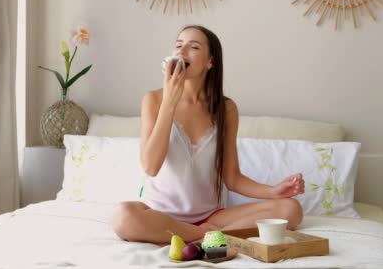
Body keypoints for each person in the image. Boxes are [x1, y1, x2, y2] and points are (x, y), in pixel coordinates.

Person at [112, 25, 304, 244]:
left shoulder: (227, 109)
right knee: (123, 218)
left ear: (210, 62)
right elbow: (150, 166)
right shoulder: (154, 100)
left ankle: (197, 233)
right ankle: (204, 236)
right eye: (178, 45)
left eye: (193, 47)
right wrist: (169, 103)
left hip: (212, 217)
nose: (182, 52)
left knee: (290, 209)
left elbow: (232, 178)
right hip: (161, 216)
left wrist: (274, 191)